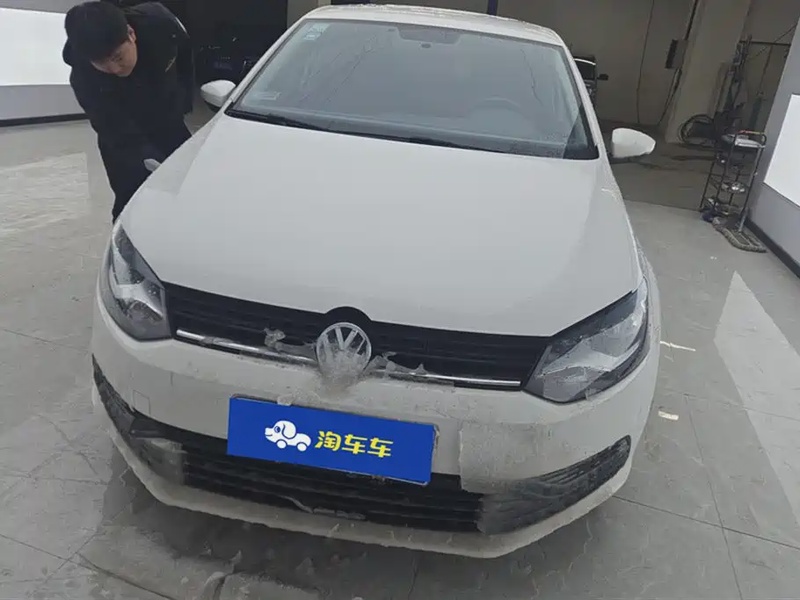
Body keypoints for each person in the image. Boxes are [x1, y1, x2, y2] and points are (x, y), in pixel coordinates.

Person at [63, 1, 195, 221]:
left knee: (189, 182)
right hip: (121, 134)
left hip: (167, 118)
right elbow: (113, 129)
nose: (114, 69)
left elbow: (184, 56)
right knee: (130, 199)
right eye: (102, 64)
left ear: (131, 34)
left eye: (118, 57)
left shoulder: (161, 25)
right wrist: (149, 160)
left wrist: (182, 101)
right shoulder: (83, 77)